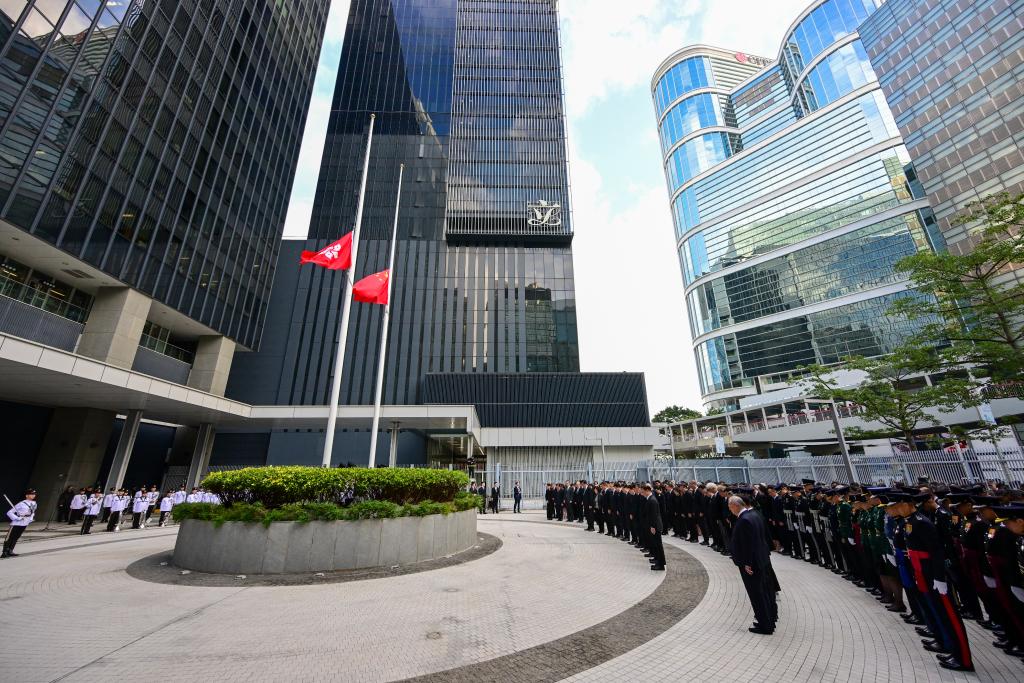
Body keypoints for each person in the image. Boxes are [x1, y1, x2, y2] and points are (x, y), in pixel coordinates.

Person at [728, 494, 777, 634]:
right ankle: (769, 619)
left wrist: (747, 563)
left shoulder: (744, 520)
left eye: (730, 506)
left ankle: (765, 625)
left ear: (736, 505)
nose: (730, 509)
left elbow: (748, 544)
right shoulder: (754, 515)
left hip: (752, 563)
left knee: (757, 594)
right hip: (761, 560)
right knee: (763, 592)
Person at [2, 489, 37, 558]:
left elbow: (32, 512)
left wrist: (30, 519)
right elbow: (9, 512)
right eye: (31, 494)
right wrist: (17, 518)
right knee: (10, 537)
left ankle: (10, 550)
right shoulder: (21, 503)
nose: (33, 495)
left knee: (16, 537)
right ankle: (4, 552)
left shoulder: (34, 503)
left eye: (34, 494)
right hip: (16, 523)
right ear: (27, 495)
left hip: (25, 523)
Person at [643, 483, 666, 571]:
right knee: (655, 544)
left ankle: (661, 565)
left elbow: (654, 515)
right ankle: (657, 560)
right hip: (654, 525)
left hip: (655, 526)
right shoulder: (650, 499)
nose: (643, 493)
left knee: (658, 545)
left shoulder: (652, 500)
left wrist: (652, 526)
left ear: (647, 491)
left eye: (644, 492)